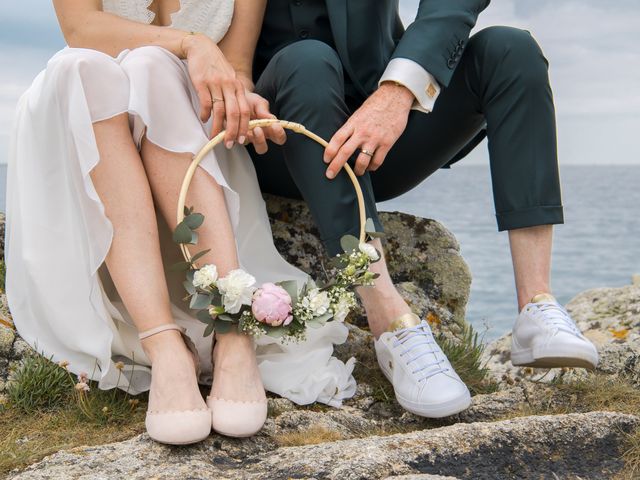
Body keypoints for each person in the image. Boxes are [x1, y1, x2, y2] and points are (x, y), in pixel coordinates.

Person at [5, 0, 358, 445]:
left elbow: (236, 69)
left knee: (153, 66)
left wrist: (239, 99)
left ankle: (232, 330)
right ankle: (165, 346)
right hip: (90, 133)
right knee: (82, 68)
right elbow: (80, 29)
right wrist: (191, 44)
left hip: (188, 131)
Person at [248, 0, 600, 418]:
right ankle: (392, 324)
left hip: (384, 135)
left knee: (512, 49)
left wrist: (399, 91)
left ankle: (536, 306)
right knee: (306, 60)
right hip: (277, 140)